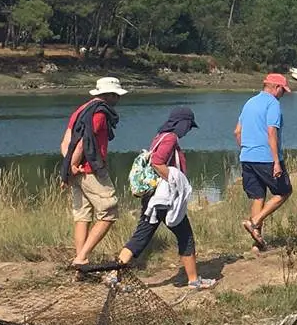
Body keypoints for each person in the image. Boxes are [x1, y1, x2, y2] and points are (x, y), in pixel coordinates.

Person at [115, 107, 216, 289]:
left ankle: (115, 275)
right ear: (181, 124)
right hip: (164, 201)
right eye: (188, 126)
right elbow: (157, 162)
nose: (188, 130)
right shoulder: (170, 138)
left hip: (152, 199)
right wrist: (174, 180)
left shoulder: (160, 136)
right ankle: (194, 281)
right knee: (186, 237)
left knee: (141, 237)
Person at [59, 76, 127, 267]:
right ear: (110, 95)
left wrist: (68, 167)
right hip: (91, 171)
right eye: (117, 95)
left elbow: (65, 142)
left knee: (82, 215)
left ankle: (80, 260)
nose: (118, 99)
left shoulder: (81, 110)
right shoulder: (99, 114)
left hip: (78, 170)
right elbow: (82, 144)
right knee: (109, 211)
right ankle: (81, 257)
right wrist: (72, 167)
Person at [235, 73, 292, 251]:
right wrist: (276, 162)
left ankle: (256, 245)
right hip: (266, 158)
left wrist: (246, 150)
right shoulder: (272, 104)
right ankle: (255, 221)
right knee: (284, 191)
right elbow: (271, 132)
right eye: (283, 90)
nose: (283, 94)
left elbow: (237, 131)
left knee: (258, 196)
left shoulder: (250, 102)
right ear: (276, 88)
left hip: (247, 157)